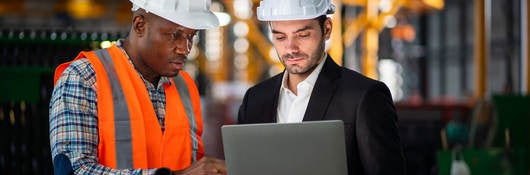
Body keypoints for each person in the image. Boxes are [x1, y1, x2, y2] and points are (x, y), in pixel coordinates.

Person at [49, 0, 226, 174]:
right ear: (140, 25)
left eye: (191, 36)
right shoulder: (84, 78)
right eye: (175, 35)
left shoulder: (185, 86)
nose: (185, 49)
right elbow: (75, 170)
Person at [237, 0, 405, 174]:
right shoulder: (255, 99)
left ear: (327, 29)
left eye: (302, 35)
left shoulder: (364, 96)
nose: (290, 48)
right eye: (280, 37)